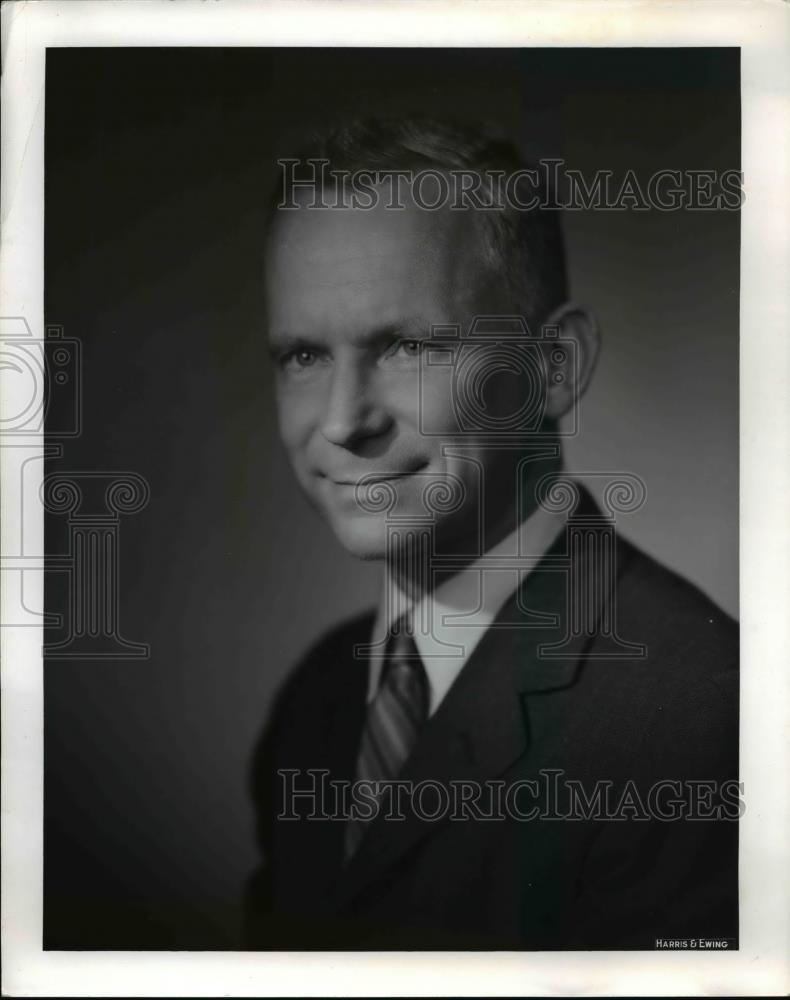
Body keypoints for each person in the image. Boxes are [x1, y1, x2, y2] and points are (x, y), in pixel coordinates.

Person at [245, 118, 739, 950]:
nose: (341, 421)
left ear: (554, 366)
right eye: (303, 356)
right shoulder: (318, 697)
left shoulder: (702, 721)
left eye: (408, 346)